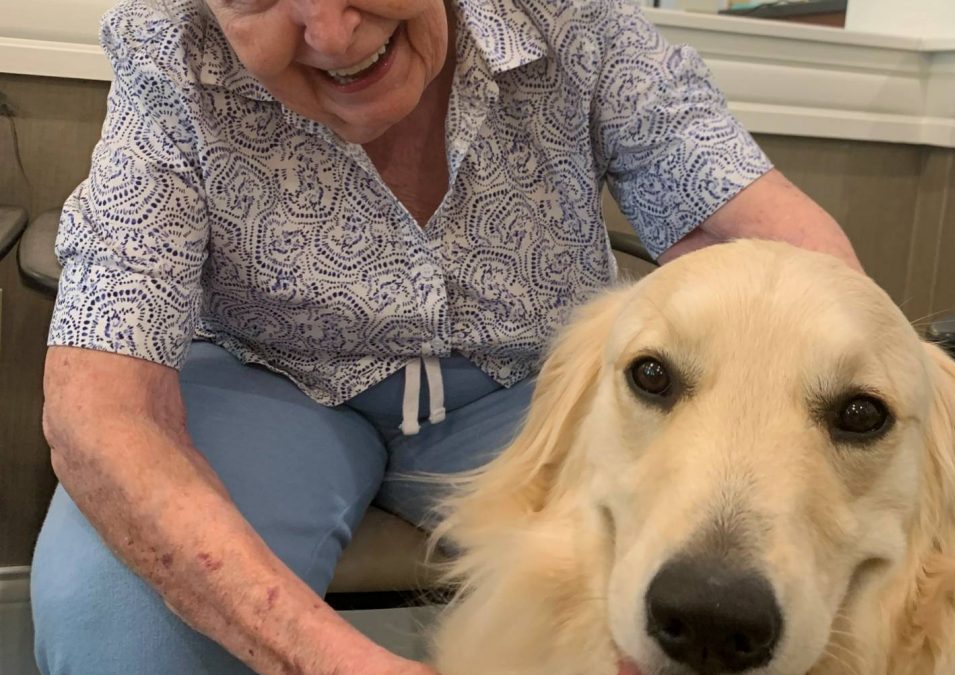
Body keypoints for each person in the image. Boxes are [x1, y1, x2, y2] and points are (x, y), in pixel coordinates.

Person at [30, 0, 861, 673]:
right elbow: (99, 412)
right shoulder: (169, 53)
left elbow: (793, 258)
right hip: (273, 378)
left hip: (526, 385)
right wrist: (332, 661)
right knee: (116, 617)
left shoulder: (568, 20)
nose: (330, 31)